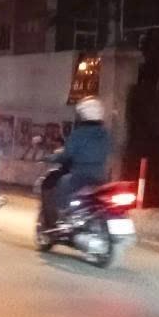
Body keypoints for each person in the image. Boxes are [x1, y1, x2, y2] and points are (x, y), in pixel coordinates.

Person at [41, 96, 112, 228]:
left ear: (83, 114)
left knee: (61, 183)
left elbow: (66, 155)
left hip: (79, 176)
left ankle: (60, 219)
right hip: (100, 178)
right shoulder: (105, 134)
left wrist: (50, 157)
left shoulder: (79, 134)